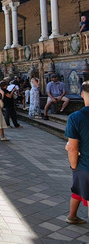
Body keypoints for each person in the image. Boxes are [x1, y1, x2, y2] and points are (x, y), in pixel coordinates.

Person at [64, 81, 89, 224]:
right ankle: (72, 216)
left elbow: (72, 148)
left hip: (85, 165)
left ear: (82, 94)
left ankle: (72, 216)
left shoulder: (75, 117)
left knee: (78, 189)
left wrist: (74, 167)